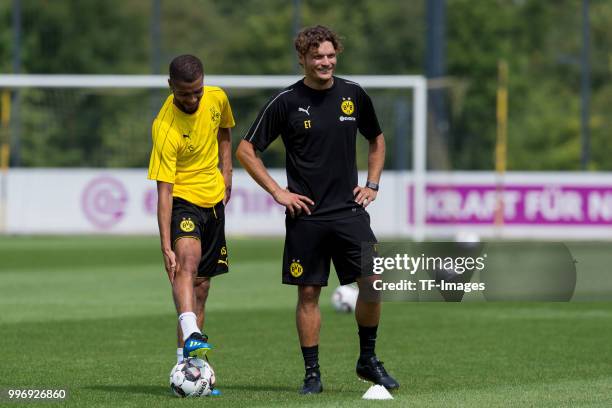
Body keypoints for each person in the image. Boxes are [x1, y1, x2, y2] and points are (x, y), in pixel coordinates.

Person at [236, 25, 399, 394]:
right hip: (306, 216)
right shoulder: (286, 101)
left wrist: (372, 184)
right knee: (308, 294)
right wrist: (277, 190)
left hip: (349, 212)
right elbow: (246, 150)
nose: (325, 62)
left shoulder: (353, 94)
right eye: (317, 57)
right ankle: (312, 374)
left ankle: (368, 359)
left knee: (374, 285)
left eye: (330, 55)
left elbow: (376, 138)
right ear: (303, 59)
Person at [148, 54, 234, 364]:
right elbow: (164, 190)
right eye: (185, 93)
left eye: (197, 90)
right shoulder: (165, 127)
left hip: (212, 201)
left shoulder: (217, 97)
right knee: (186, 262)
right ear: (171, 86)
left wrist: (227, 172)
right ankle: (191, 332)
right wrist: (164, 245)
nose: (193, 98)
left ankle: (189, 365)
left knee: (201, 287)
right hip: (182, 200)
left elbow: (224, 131)